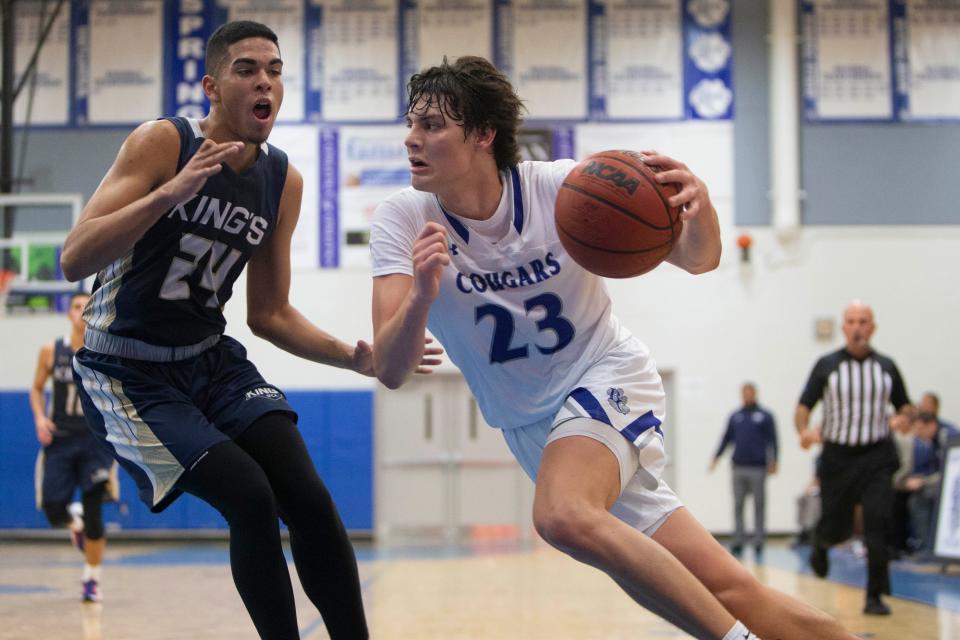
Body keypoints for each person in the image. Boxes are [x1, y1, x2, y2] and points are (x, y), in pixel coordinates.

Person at [369, 55, 857, 640]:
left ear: (481, 135)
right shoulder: (402, 218)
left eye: (430, 125)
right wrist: (422, 293)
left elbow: (700, 260)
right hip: (530, 426)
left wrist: (699, 208)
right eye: (411, 123)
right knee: (725, 586)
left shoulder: (560, 190)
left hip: (604, 376)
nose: (411, 139)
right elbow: (391, 368)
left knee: (561, 515)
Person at [59, 21, 443, 639]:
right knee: (250, 496)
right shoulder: (163, 143)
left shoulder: (282, 180)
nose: (265, 81)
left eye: (275, 69)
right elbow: (74, 258)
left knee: (309, 499)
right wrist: (170, 193)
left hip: (210, 359)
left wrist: (354, 358)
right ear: (212, 86)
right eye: (246, 69)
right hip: (127, 370)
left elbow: (269, 313)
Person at [796, 300, 913, 616]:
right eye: (852, 321)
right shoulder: (827, 365)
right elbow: (804, 405)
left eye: (864, 321)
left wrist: (904, 418)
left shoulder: (886, 367)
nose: (858, 326)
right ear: (843, 327)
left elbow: (906, 406)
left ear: (872, 328)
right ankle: (821, 544)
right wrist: (804, 431)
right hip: (838, 458)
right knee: (838, 528)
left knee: (878, 524)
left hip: (877, 455)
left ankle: (875, 595)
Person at [29, 291, 116, 603]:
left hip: (95, 441)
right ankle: (72, 521)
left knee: (95, 510)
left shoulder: (106, 352)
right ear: (69, 313)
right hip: (61, 439)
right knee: (53, 508)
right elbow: (37, 390)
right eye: (77, 307)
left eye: (87, 307)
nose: (82, 312)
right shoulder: (50, 351)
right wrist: (40, 418)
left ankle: (92, 579)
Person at [709, 382, 778, 558]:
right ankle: (738, 540)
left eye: (749, 392)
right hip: (738, 467)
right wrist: (716, 458)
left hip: (758, 468)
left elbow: (773, 440)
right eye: (744, 393)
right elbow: (726, 439)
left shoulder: (765, 416)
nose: (747, 395)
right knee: (738, 505)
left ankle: (758, 540)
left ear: (755, 393)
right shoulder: (736, 416)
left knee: (759, 505)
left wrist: (774, 461)